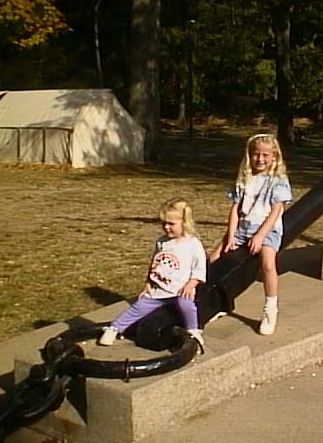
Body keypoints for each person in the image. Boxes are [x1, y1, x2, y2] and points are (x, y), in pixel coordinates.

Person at [209, 133, 293, 335]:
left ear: (274, 157)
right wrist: (230, 236)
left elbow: (276, 211)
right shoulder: (245, 178)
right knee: (213, 260)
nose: (260, 159)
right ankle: (216, 302)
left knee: (267, 265)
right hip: (243, 228)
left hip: (267, 229)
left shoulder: (278, 181)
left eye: (265, 155)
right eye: (256, 154)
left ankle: (270, 310)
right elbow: (235, 210)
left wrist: (260, 236)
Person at [99, 198, 207, 350]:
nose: (166, 227)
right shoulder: (162, 242)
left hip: (180, 289)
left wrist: (191, 284)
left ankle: (193, 330)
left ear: (184, 222)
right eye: (163, 223)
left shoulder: (193, 244)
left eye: (171, 224)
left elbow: (199, 268)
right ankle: (115, 328)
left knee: (187, 305)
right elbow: (155, 265)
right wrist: (148, 284)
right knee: (139, 307)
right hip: (160, 289)